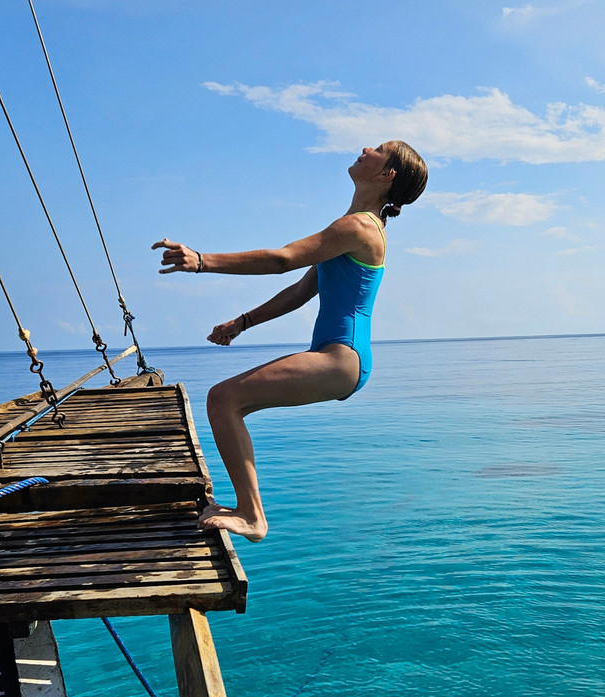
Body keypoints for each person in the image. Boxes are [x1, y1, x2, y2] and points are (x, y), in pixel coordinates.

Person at [154, 140, 427, 541]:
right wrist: (243, 322)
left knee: (223, 398)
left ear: (387, 175)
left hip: (340, 358)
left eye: (379, 149)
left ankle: (252, 517)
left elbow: (282, 259)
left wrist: (202, 261)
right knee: (227, 402)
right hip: (340, 357)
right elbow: (301, 291)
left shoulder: (358, 227)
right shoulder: (355, 226)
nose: (366, 148)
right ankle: (247, 509)